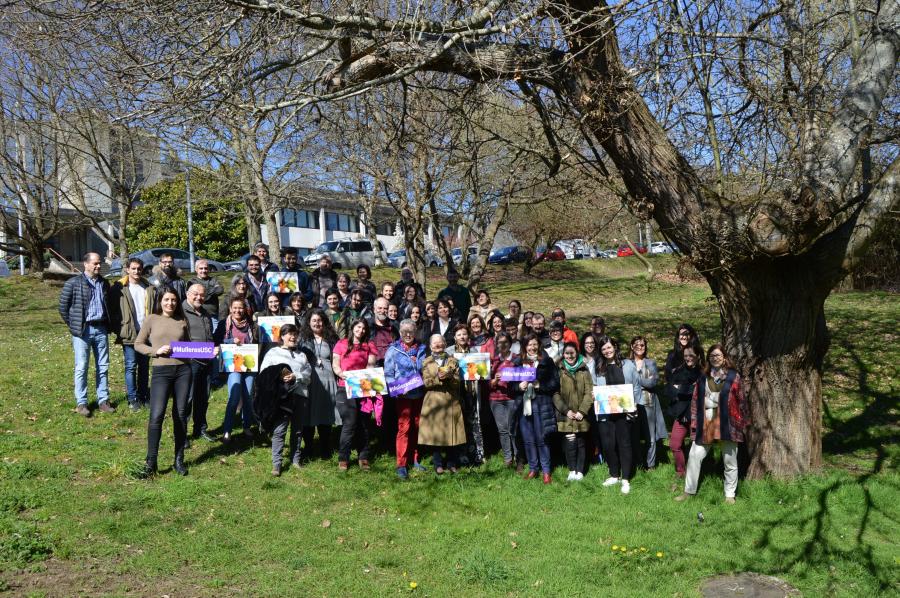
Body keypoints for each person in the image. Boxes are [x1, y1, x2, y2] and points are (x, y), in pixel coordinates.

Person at [675, 344, 749, 504]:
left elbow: (741, 399)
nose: (715, 358)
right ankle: (689, 491)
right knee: (695, 455)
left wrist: (744, 421)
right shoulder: (703, 377)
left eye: (718, 355)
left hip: (728, 424)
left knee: (730, 460)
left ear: (724, 357)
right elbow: (696, 399)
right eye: (712, 355)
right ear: (709, 358)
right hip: (706, 423)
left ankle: (730, 495)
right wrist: (695, 420)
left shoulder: (733, 376)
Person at [133, 287, 190, 477]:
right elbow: (138, 344)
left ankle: (178, 459)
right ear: (160, 301)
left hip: (183, 371)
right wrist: (155, 352)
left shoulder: (182, 321)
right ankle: (151, 463)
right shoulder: (151, 319)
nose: (170, 303)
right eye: (166, 300)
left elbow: (190, 347)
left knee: (180, 415)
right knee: (156, 415)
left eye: (173, 300)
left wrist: (209, 352)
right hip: (161, 371)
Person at [59, 252, 113, 417]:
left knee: (103, 366)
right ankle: (81, 403)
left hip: (101, 329)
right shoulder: (73, 283)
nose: (98, 266)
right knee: (81, 367)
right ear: (86, 264)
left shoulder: (104, 283)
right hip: (82, 331)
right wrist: (74, 325)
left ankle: (103, 400)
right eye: (95, 263)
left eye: (99, 263)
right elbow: (63, 307)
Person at [259, 323, 312, 476]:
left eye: (295, 334)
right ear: (282, 336)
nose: (293, 337)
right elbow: (264, 373)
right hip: (281, 397)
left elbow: (308, 376)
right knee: (280, 430)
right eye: (289, 334)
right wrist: (279, 374)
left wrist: (296, 375)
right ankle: (277, 464)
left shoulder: (302, 355)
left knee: (297, 430)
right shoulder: (272, 353)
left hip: (300, 395)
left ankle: (295, 460)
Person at [594, 336, 642, 494]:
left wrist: (634, 404)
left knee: (624, 444)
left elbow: (636, 386)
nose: (607, 351)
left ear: (615, 347)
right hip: (606, 413)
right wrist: (595, 395)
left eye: (609, 347)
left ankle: (626, 478)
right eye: (603, 349)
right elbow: (594, 385)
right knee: (608, 444)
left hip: (624, 412)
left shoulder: (628, 365)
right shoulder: (598, 366)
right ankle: (614, 474)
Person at [332, 319, 378, 471]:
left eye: (364, 328)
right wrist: (341, 373)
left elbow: (371, 365)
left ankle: (363, 457)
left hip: (363, 387)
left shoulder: (369, 345)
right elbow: (335, 364)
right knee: (350, 422)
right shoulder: (341, 343)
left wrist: (364, 376)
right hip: (344, 387)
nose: (361, 330)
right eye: (358, 327)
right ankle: (343, 458)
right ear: (353, 328)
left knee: (364, 423)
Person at [384, 320, 428, 479]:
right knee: (404, 427)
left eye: (410, 331)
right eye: (404, 332)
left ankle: (414, 459)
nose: (407, 335)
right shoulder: (393, 350)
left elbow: (426, 370)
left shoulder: (422, 349)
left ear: (415, 331)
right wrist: (396, 389)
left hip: (419, 393)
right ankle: (401, 464)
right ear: (400, 333)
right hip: (402, 396)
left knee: (417, 425)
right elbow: (388, 374)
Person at [418, 334, 466, 473]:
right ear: (430, 346)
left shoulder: (453, 361)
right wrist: (438, 378)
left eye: (440, 343)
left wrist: (450, 377)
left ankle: (452, 464)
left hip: (451, 399)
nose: (438, 345)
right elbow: (426, 382)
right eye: (435, 343)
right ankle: (438, 464)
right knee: (436, 434)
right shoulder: (426, 362)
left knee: (453, 433)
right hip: (433, 401)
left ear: (445, 344)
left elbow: (458, 382)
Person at [214, 297, 258, 442]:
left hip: (249, 365)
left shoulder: (251, 324)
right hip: (233, 366)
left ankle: (246, 426)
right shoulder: (224, 324)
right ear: (230, 309)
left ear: (245, 309)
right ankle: (227, 430)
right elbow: (217, 342)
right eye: (235, 308)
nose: (238, 310)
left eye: (241, 308)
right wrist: (230, 341)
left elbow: (257, 342)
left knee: (247, 396)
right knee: (234, 396)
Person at [299, 309, 341, 461]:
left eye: (319, 320)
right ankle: (308, 447)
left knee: (325, 413)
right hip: (310, 382)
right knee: (308, 414)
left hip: (328, 380)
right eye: (314, 320)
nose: (317, 323)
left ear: (324, 322)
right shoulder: (302, 339)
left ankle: (325, 447)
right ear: (309, 322)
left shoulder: (332, 339)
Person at [108, 257, 150, 411]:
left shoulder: (148, 286)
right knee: (131, 366)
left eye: (139, 268)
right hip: (129, 333)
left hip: (146, 333)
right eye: (133, 268)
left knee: (144, 367)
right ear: (127, 269)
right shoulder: (119, 287)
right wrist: (119, 328)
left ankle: (144, 395)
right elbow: (111, 310)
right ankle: (132, 398)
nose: (136, 271)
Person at [518, 334, 560, 484]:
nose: (532, 347)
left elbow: (555, 383)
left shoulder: (546, 361)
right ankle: (533, 468)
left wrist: (539, 386)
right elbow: (510, 383)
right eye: (529, 345)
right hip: (524, 405)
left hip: (540, 403)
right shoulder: (519, 361)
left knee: (542, 438)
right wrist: (518, 386)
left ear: (539, 345)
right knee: (528, 439)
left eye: (535, 344)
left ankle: (546, 471)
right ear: (525, 346)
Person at [665, 324, 704, 481]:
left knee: (697, 447)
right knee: (674, 444)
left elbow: (697, 389)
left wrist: (682, 388)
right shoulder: (674, 361)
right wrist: (683, 389)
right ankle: (680, 471)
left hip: (696, 412)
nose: (683, 337)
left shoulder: (701, 368)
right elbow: (669, 386)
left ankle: (695, 474)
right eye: (680, 334)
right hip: (680, 411)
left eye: (686, 334)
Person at [553, 342, 594, 482]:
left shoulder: (584, 369)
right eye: (567, 353)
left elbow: (589, 392)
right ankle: (572, 469)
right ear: (563, 355)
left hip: (581, 413)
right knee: (570, 441)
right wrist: (566, 410)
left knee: (581, 442)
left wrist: (582, 411)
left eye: (572, 353)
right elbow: (555, 393)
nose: (570, 356)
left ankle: (580, 470)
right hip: (566, 413)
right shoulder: (559, 370)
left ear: (577, 352)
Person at [182, 283, 218, 443]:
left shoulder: (205, 313)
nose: (199, 297)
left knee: (203, 397)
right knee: (187, 398)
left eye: (202, 295)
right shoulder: (180, 311)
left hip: (207, 362)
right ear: (188, 293)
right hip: (189, 362)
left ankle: (200, 428)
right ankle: (182, 434)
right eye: (195, 294)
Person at [629, 336, 668, 470]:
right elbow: (626, 382)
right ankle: (639, 463)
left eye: (643, 345)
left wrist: (635, 380)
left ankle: (650, 465)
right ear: (631, 347)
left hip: (648, 403)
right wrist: (643, 380)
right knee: (634, 436)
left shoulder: (651, 363)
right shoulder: (627, 363)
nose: (640, 347)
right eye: (637, 345)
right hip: (631, 404)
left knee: (650, 437)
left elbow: (652, 383)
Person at [450, 324, 485, 465]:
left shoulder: (475, 351)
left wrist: (482, 373)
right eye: (459, 335)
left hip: (473, 391)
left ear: (468, 336)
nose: (462, 337)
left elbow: (482, 372)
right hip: (458, 392)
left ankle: (478, 455)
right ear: (454, 337)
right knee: (460, 423)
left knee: (475, 423)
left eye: (464, 334)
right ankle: (462, 456)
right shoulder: (450, 352)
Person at [489, 332, 522, 469]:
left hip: (511, 398)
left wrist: (512, 379)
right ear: (496, 344)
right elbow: (487, 384)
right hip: (496, 399)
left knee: (513, 428)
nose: (502, 345)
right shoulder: (493, 361)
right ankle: (508, 458)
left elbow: (522, 378)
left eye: (505, 342)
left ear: (510, 343)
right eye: (499, 342)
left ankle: (518, 457)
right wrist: (495, 381)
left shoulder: (517, 359)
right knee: (502, 430)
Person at [188, 259, 224, 330]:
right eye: (201, 268)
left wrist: (203, 293)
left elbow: (220, 290)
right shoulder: (192, 282)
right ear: (196, 269)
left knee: (215, 336)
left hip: (213, 315)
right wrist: (212, 290)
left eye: (206, 268)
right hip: (198, 315)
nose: (203, 270)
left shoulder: (214, 280)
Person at [370, 297, 398, 364]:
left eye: (385, 308)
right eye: (379, 308)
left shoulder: (395, 326)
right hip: (372, 364)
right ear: (374, 309)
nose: (382, 311)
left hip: (391, 363)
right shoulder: (367, 325)